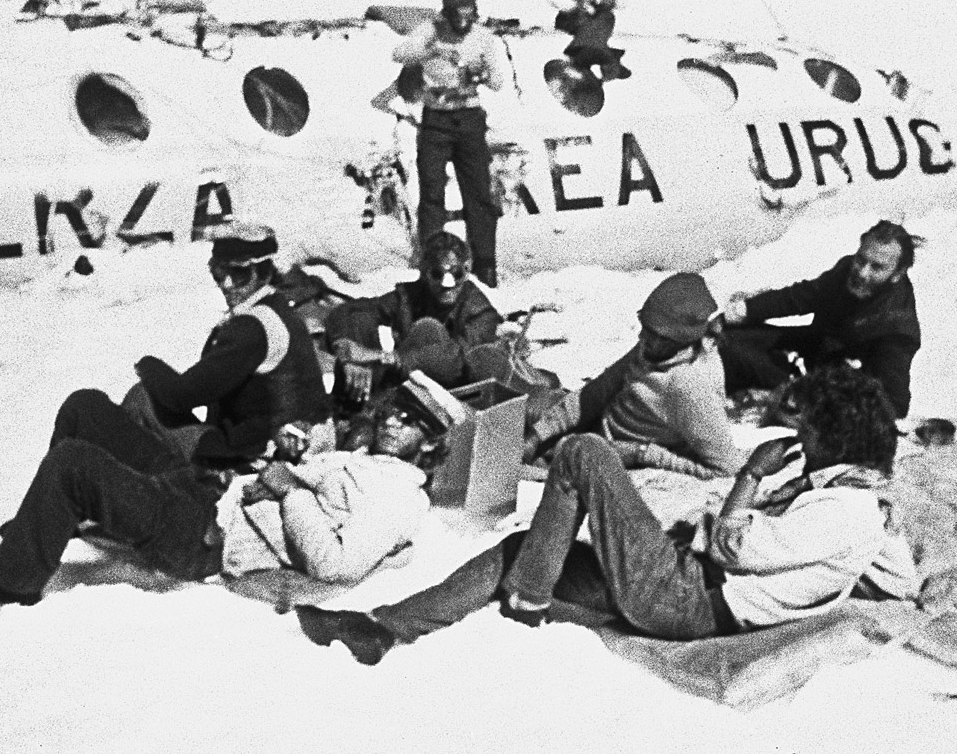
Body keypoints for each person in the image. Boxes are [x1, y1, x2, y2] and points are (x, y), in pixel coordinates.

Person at [294, 366, 918, 665]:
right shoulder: (850, 500)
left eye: (811, 428)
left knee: (584, 453)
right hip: (680, 588)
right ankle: (383, 628)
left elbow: (734, 550)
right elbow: (884, 567)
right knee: (518, 552)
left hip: (691, 597)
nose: (801, 436)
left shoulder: (852, 510)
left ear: (839, 438)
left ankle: (533, 596)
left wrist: (752, 476)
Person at [0, 223, 334, 614]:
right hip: (208, 481)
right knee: (83, 406)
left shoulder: (254, 328)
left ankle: (8, 584)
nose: (226, 285)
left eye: (238, 275)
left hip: (205, 523)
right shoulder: (274, 313)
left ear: (265, 271)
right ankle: (55, 521)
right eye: (218, 273)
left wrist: (150, 366)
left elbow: (184, 392)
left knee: (72, 463)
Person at [523, 272, 745, 480]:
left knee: (511, 471)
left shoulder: (689, 386)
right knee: (524, 407)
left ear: (684, 339)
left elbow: (726, 469)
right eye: (645, 327)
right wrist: (538, 434)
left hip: (609, 452)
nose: (643, 338)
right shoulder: (656, 347)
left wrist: (646, 454)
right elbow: (598, 392)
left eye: (658, 335)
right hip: (599, 423)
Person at [222, 389, 448, 584]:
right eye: (387, 413)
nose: (390, 423)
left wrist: (292, 491)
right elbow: (292, 477)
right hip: (226, 507)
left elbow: (334, 566)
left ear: (430, 443)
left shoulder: (397, 495)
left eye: (407, 420)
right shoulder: (360, 460)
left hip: (228, 540)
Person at [717, 220, 921, 418]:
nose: (862, 272)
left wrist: (822, 400)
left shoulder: (896, 332)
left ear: (897, 274)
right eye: (861, 259)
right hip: (814, 348)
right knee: (727, 333)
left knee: (732, 352)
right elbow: (802, 297)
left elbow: (895, 405)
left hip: (822, 387)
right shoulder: (848, 270)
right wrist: (744, 310)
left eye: (876, 267)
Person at [392, 0, 507, 287]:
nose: (462, 22)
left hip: (468, 116)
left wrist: (479, 72)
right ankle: (432, 262)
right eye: (457, 16)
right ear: (447, 14)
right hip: (436, 117)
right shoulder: (430, 31)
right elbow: (399, 53)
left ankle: (486, 264)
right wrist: (430, 49)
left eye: (468, 15)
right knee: (431, 193)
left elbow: (498, 81)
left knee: (479, 194)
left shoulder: (484, 38)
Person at [325, 231, 503, 408]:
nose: (447, 284)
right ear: (424, 272)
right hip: (411, 387)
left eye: (456, 274)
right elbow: (349, 311)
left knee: (428, 328)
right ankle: (353, 407)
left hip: (456, 400)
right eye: (437, 274)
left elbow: (455, 362)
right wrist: (349, 356)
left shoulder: (480, 312)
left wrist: (388, 358)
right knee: (360, 320)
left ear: (467, 269)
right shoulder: (411, 296)